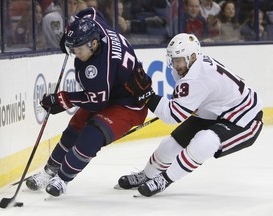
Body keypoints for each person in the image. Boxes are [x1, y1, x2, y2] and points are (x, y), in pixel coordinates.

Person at [117, 33, 263, 197]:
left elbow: (172, 116)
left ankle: (164, 179)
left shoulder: (196, 78)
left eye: (178, 59)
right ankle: (147, 175)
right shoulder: (191, 67)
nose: (175, 64)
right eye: (173, 59)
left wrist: (146, 95)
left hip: (244, 119)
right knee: (170, 144)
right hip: (214, 112)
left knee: (205, 141)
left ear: (192, 56)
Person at [25, 7, 148, 197]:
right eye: (73, 48)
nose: (75, 52)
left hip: (127, 104)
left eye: (79, 49)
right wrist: (71, 28)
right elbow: (90, 10)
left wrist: (63, 99)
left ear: (93, 44)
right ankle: (49, 172)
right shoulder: (94, 25)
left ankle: (62, 179)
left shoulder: (99, 68)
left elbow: (97, 101)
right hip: (109, 92)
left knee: (91, 134)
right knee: (73, 130)